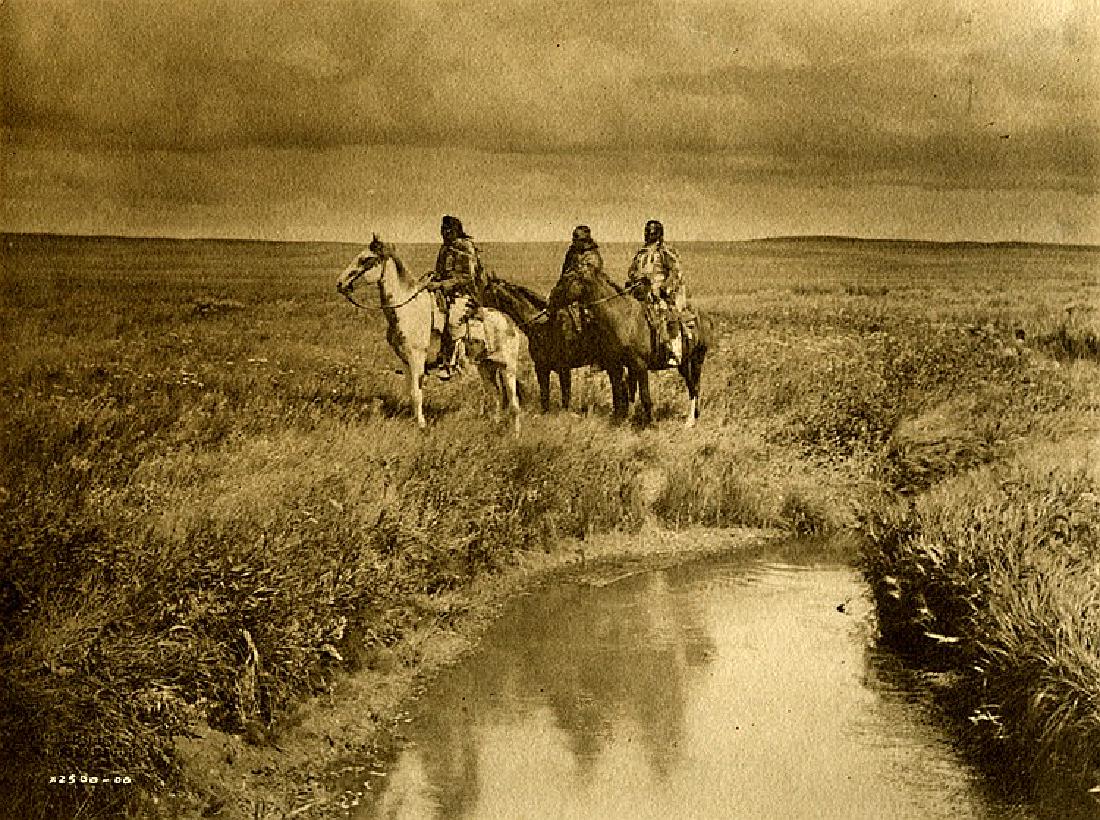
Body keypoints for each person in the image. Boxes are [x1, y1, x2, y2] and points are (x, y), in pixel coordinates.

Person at [425, 215, 487, 378]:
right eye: (442, 230)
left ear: (456, 231)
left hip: (465, 294)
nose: (444, 233)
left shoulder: (464, 247)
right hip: (445, 293)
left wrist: (441, 285)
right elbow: (441, 271)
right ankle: (433, 356)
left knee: (453, 321)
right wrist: (432, 279)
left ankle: (449, 364)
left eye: (448, 230)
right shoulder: (445, 248)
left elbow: (466, 277)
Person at [625, 219, 686, 365]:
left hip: (660, 290)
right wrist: (636, 278)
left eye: (650, 232)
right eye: (646, 232)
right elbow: (632, 270)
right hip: (640, 289)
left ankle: (673, 349)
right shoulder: (641, 253)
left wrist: (664, 287)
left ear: (658, 234)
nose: (647, 235)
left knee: (665, 313)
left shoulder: (665, 251)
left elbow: (675, 271)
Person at [549, 225, 603, 333]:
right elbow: (565, 271)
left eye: (577, 239)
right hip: (569, 287)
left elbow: (590, 275)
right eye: (574, 239)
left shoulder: (593, 255)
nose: (574, 242)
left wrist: (575, 276)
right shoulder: (571, 253)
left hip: (586, 291)